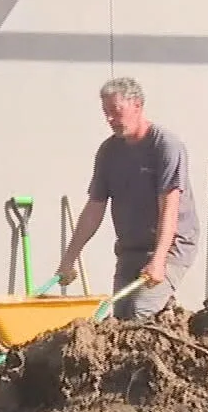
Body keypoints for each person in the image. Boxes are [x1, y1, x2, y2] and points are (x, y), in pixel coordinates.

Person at [53, 77, 200, 320]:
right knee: (121, 316)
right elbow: (94, 209)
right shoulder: (109, 152)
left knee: (140, 310)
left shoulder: (165, 146)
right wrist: (69, 259)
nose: (110, 119)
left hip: (172, 245)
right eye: (106, 113)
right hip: (130, 249)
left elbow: (170, 207)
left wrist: (160, 260)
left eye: (116, 112)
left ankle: (165, 323)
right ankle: (168, 318)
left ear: (138, 105)